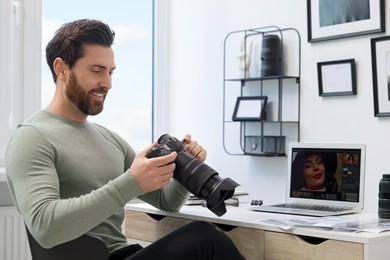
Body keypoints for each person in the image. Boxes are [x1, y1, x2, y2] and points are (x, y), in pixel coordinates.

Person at [5, 19, 244, 260]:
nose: (107, 83)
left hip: (125, 254)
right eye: (96, 70)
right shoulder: (32, 137)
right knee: (204, 240)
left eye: (110, 72)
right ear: (61, 69)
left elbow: (165, 201)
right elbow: (45, 228)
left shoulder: (108, 138)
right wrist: (130, 182)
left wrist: (182, 171)